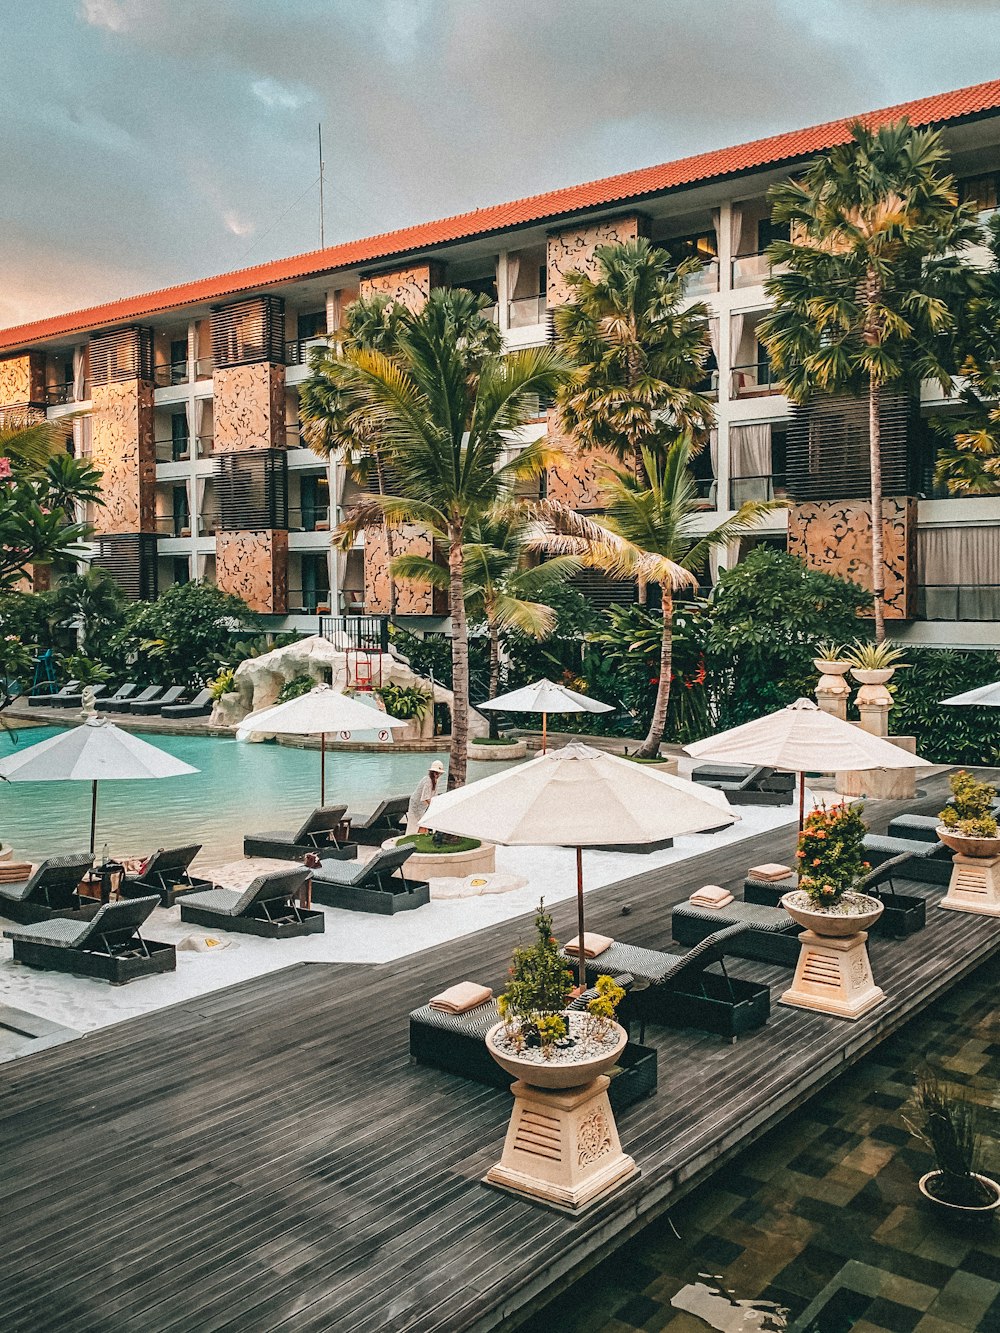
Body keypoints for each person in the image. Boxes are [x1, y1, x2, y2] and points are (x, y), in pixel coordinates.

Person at [406, 760, 445, 833]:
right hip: (416, 805)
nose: (438, 775)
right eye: (437, 773)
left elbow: (434, 796)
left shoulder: (435, 781)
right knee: (417, 824)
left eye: (439, 773)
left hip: (423, 806)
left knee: (422, 823)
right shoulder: (427, 781)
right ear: (433, 772)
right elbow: (425, 798)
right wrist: (433, 806)